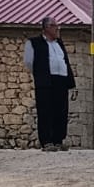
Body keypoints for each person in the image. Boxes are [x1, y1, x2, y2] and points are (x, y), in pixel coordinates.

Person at [23, 17, 76, 151]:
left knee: (61, 111)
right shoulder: (34, 42)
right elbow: (29, 63)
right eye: (54, 26)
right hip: (46, 81)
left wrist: (70, 80)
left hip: (61, 80)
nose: (57, 28)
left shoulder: (59, 43)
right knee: (46, 111)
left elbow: (64, 61)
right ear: (46, 28)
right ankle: (46, 142)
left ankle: (58, 140)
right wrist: (40, 73)